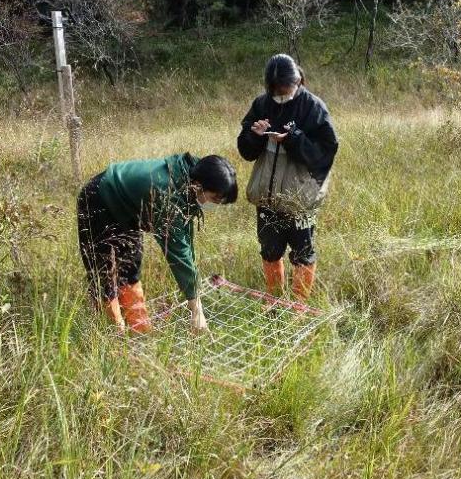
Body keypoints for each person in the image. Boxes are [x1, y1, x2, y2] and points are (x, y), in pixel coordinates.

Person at [77, 152, 238, 334]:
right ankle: (115, 333)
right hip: (100, 198)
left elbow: (184, 238)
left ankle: (139, 328)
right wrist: (197, 311)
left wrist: (195, 293)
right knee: (103, 271)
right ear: (199, 185)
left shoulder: (192, 178)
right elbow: (178, 253)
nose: (215, 204)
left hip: (131, 207)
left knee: (130, 267)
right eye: (215, 198)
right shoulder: (166, 193)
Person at [237, 54, 339, 301]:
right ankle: (274, 300)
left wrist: (293, 139)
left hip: (301, 199)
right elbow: (245, 150)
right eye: (277, 90)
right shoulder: (261, 104)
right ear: (268, 87)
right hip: (268, 199)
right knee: (270, 250)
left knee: (303, 252)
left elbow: (324, 153)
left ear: (299, 80)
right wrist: (256, 135)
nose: (282, 93)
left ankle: (299, 307)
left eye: (287, 88)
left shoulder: (313, 108)